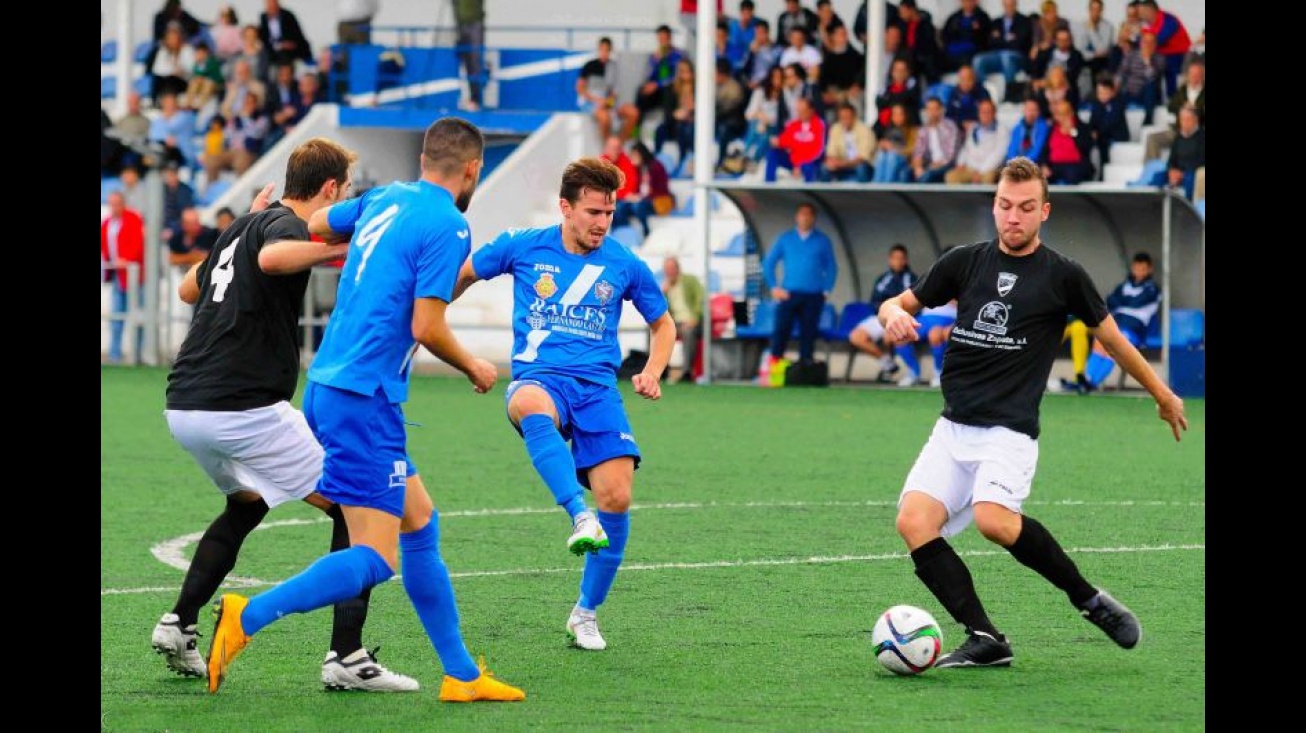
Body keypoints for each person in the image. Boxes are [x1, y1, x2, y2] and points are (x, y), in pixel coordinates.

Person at [205, 119, 525, 703]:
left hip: (333, 386)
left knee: (421, 521)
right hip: (363, 399)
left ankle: (461, 675)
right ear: (473, 169)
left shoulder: (383, 197)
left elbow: (321, 220)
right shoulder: (450, 224)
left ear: (425, 158)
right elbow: (426, 325)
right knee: (375, 558)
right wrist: (475, 365)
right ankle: (246, 617)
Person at [877, 156, 1187, 668]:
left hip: (1008, 432)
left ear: (1044, 211)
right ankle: (985, 637)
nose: (1012, 217)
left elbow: (1112, 340)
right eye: (1004, 206)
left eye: (1024, 208)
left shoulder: (1064, 276)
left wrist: (1162, 393)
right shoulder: (963, 262)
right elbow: (899, 303)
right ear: (994, 206)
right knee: (913, 522)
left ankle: (1088, 600)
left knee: (994, 521)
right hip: (953, 428)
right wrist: (892, 316)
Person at [157, 145, 420, 692]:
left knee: (245, 506)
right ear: (329, 190)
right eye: (345, 189)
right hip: (242, 406)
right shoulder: (280, 226)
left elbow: (189, 288)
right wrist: (344, 245)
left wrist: (246, 229)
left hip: (185, 405)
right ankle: (346, 657)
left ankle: (179, 624)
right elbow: (274, 259)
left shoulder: (247, 225)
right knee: (359, 506)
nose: (345, 197)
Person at [453, 156, 676, 651]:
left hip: (597, 389)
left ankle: (585, 613)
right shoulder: (523, 245)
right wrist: (427, 315)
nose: (601, 222)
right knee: (530, 402)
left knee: (617, 497)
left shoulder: (624, 264)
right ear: (565, 207)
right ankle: (578, 514)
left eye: (609, 213)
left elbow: (664, 325)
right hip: (540, 377)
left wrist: (653, 371)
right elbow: (464, 273)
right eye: (593, 211)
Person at [760, 202, 837, 381]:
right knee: (781, 330)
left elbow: (831, 267)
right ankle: (774, 369)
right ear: (797, 217)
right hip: (789, 293)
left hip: (813, 295)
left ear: (813, 218)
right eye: (802, 214)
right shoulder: (785, 239)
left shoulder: (822, 240)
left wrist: (826, 289)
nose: (805, 218)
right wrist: (774, 287)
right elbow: (769, 264)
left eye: (809, 215)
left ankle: (804, 371)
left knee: (808, 334)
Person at [1079, 251, 1161, 391]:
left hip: (1135, 329)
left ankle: (1093, 383)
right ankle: (1087, 379)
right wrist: (1124, 301)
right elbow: (1110, 300)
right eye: (1136, 268)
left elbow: (1137, 302)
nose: (1139, 272)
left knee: (1115, 345)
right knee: (1100, 340)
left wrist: (1122, 301)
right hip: (1116, 323)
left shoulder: (1153, 288)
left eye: (1143, 269)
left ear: (1149, 269)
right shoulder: (1124, 286)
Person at [848, 243, 916, 381]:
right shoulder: (882, 278)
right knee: (856, 336)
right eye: (894, 258)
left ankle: (912, 372)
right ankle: (887, 363)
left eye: (901, 258)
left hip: (900, 317)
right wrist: (883, 312)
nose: (897, 261)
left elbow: (914, 303)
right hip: (879, 316)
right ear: (890, 260)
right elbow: (873, 300)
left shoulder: (912, 279)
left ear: (906, 260)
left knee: (891, 335)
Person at [101, 191, 145, 364]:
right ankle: (115, 355)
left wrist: (126, 259)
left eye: (117, 203)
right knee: (116, 316)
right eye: (112, 203)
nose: (114, 207)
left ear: (123, 203)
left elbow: (138, 245)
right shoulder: (106, 224)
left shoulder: (133, 218)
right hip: (117, 275)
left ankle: (138, 354)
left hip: (134, 276)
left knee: (137, 315)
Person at [661, 256, 706, 383]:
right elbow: (660, 310)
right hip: (674, 322)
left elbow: (700, 299)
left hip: (692, 321)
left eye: (671, 269)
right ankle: (661, 370)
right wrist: (662, 294)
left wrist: (695, 318)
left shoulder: (690, 281)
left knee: (688, 331)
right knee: (655, 330)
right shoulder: (666, 287)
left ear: (678, 269)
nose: (669, 272)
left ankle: (687, 372)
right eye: (667, 270)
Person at [577, 37, 619, 144]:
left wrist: (607, 103)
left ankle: (611, 147)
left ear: (610, 50)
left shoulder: (613, 67)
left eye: (607, 50)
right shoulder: (590, 65)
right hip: (589, 101)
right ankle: (606, 150)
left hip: (604, 103)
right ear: (599, 49)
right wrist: (596, 100)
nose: (604, 53)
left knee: (613, 118)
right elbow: (580, 88)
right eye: (602, 49)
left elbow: (613, 94)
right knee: (605, 117)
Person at [452, 0, 487, 111]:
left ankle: (476, 99)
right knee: (465, 59)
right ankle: (467, 98)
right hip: (461, 24)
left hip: (474, 23)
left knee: (475, 60)